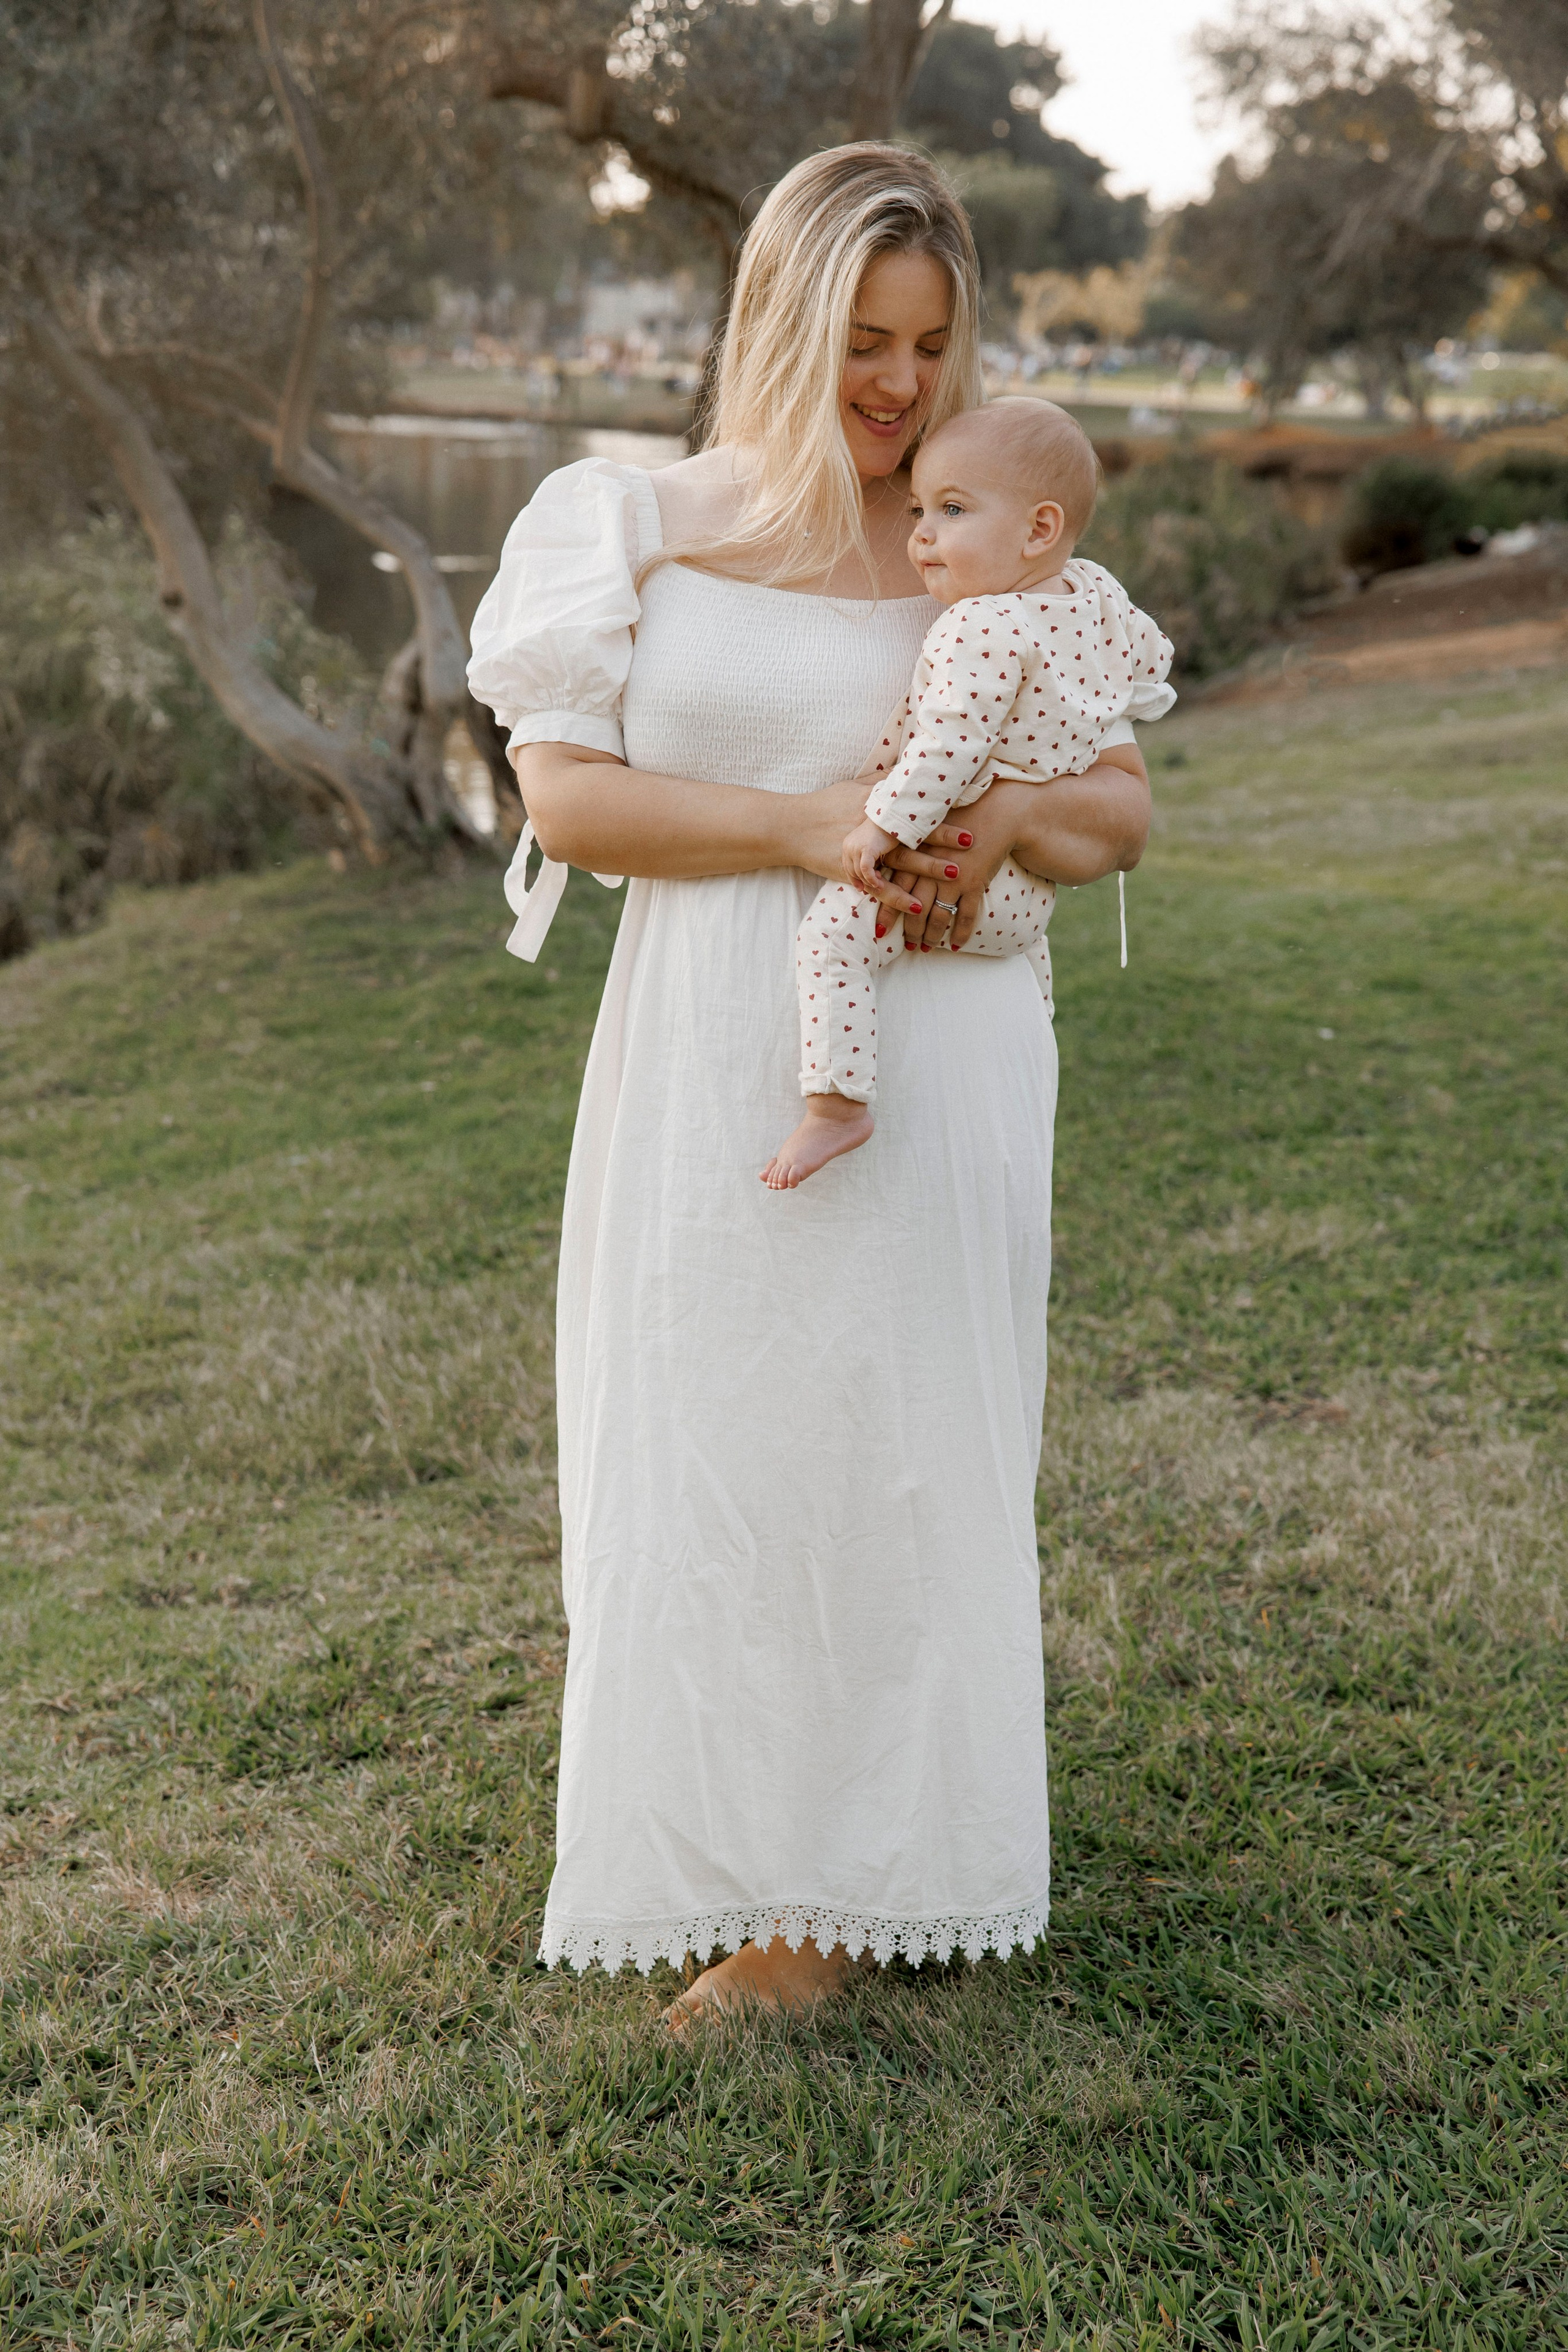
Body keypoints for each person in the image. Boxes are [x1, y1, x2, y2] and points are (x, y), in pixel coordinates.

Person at [466, 143, 1153, 2031]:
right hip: (711, 1039)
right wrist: (802, 826)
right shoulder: (631, 522)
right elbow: (568, 802)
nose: (902, 385)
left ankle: (860, 1881)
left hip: (940, 1053)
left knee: (897, 1447)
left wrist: (1001, 821)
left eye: (930, 343)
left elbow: (1119, 810)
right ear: (779, 318)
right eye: (865, 339)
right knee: (716, 1429)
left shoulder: (989, 535)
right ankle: (725, 1827)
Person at [764, 397, 1174, 1189]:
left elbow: (949, 745)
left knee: (831, 942)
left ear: (1039, 530)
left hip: (942, 875)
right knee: (1026, 994)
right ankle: (1036, 1044)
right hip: (1026, 902)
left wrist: (881, 826)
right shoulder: (1093, 596)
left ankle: (837, 1106)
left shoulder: (981, 624)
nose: (922, 534)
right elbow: (1151, 663)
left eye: (952, 510)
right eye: (918, 510)